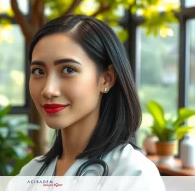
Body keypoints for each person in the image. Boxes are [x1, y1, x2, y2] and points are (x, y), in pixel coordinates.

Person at [17, 14, 163, 185]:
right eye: (39, 71)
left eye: (68, 70)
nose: (48, 90)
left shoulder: (134, 174)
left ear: (106, 79)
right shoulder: (30, 173)